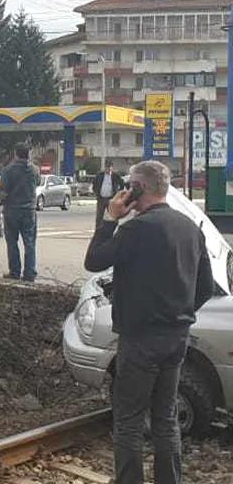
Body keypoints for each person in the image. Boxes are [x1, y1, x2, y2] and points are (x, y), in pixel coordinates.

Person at [84, 161, 214, 484]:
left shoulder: (134, 229)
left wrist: (108, 218)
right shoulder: (190, 228)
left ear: (139, 189)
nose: (125, 190)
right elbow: (207, 287)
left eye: (129, 185)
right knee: (166, 418)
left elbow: (94, 260)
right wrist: (181, 312)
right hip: (176, 337)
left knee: (128, 420)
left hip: (140, 339)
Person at [0, 144, 40, 282]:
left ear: (16, 154)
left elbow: (3, 191)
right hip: (29, 211)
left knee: (12, 243)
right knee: (30, 243)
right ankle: (29, 273)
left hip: (12, 211)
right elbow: (37, 183)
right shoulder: (35, 170)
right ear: (28, 154)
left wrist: (2, 201)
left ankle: (15, 272)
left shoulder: (7, 170)